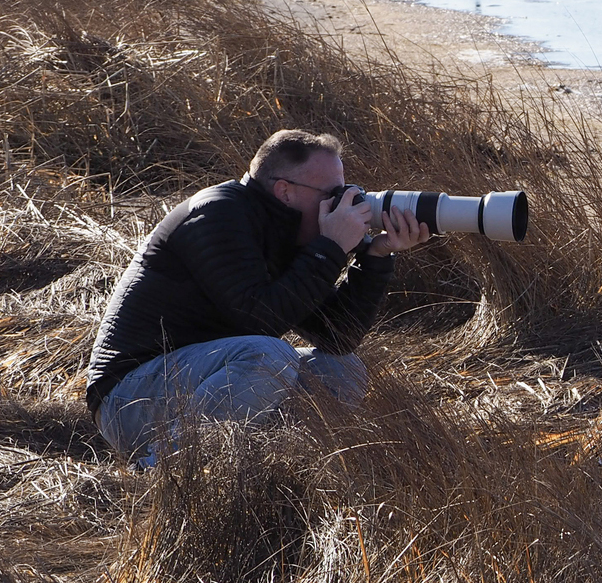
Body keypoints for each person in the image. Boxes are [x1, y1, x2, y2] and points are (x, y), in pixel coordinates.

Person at [85, 128, 431, 460]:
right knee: (269, 355)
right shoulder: (218, 213)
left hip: (198, 385)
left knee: (342, 368)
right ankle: (169, 466)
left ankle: (277, 468)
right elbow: (258, 319)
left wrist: (375, 257)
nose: (345, 204)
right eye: (332, 195)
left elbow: (338, 337)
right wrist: (330, 248)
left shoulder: (289, 234)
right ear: (285, 191)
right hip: (129, 399)